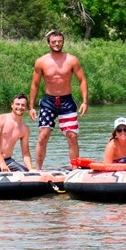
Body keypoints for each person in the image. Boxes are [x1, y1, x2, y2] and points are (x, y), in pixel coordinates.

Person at [28, 30, 89, 170]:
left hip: (66, 102)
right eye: (54, 42)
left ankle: (75, 169)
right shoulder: (41, 62)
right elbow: (35, 85)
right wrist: (31, 107)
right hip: (48, 102)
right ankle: (37, 169)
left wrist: (85, 101)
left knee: (72, 136)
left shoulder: (71, 60)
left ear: (63, 42)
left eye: (59, 41)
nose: (57, 44)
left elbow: (82, 80)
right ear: (48, 43)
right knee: (43, 135)